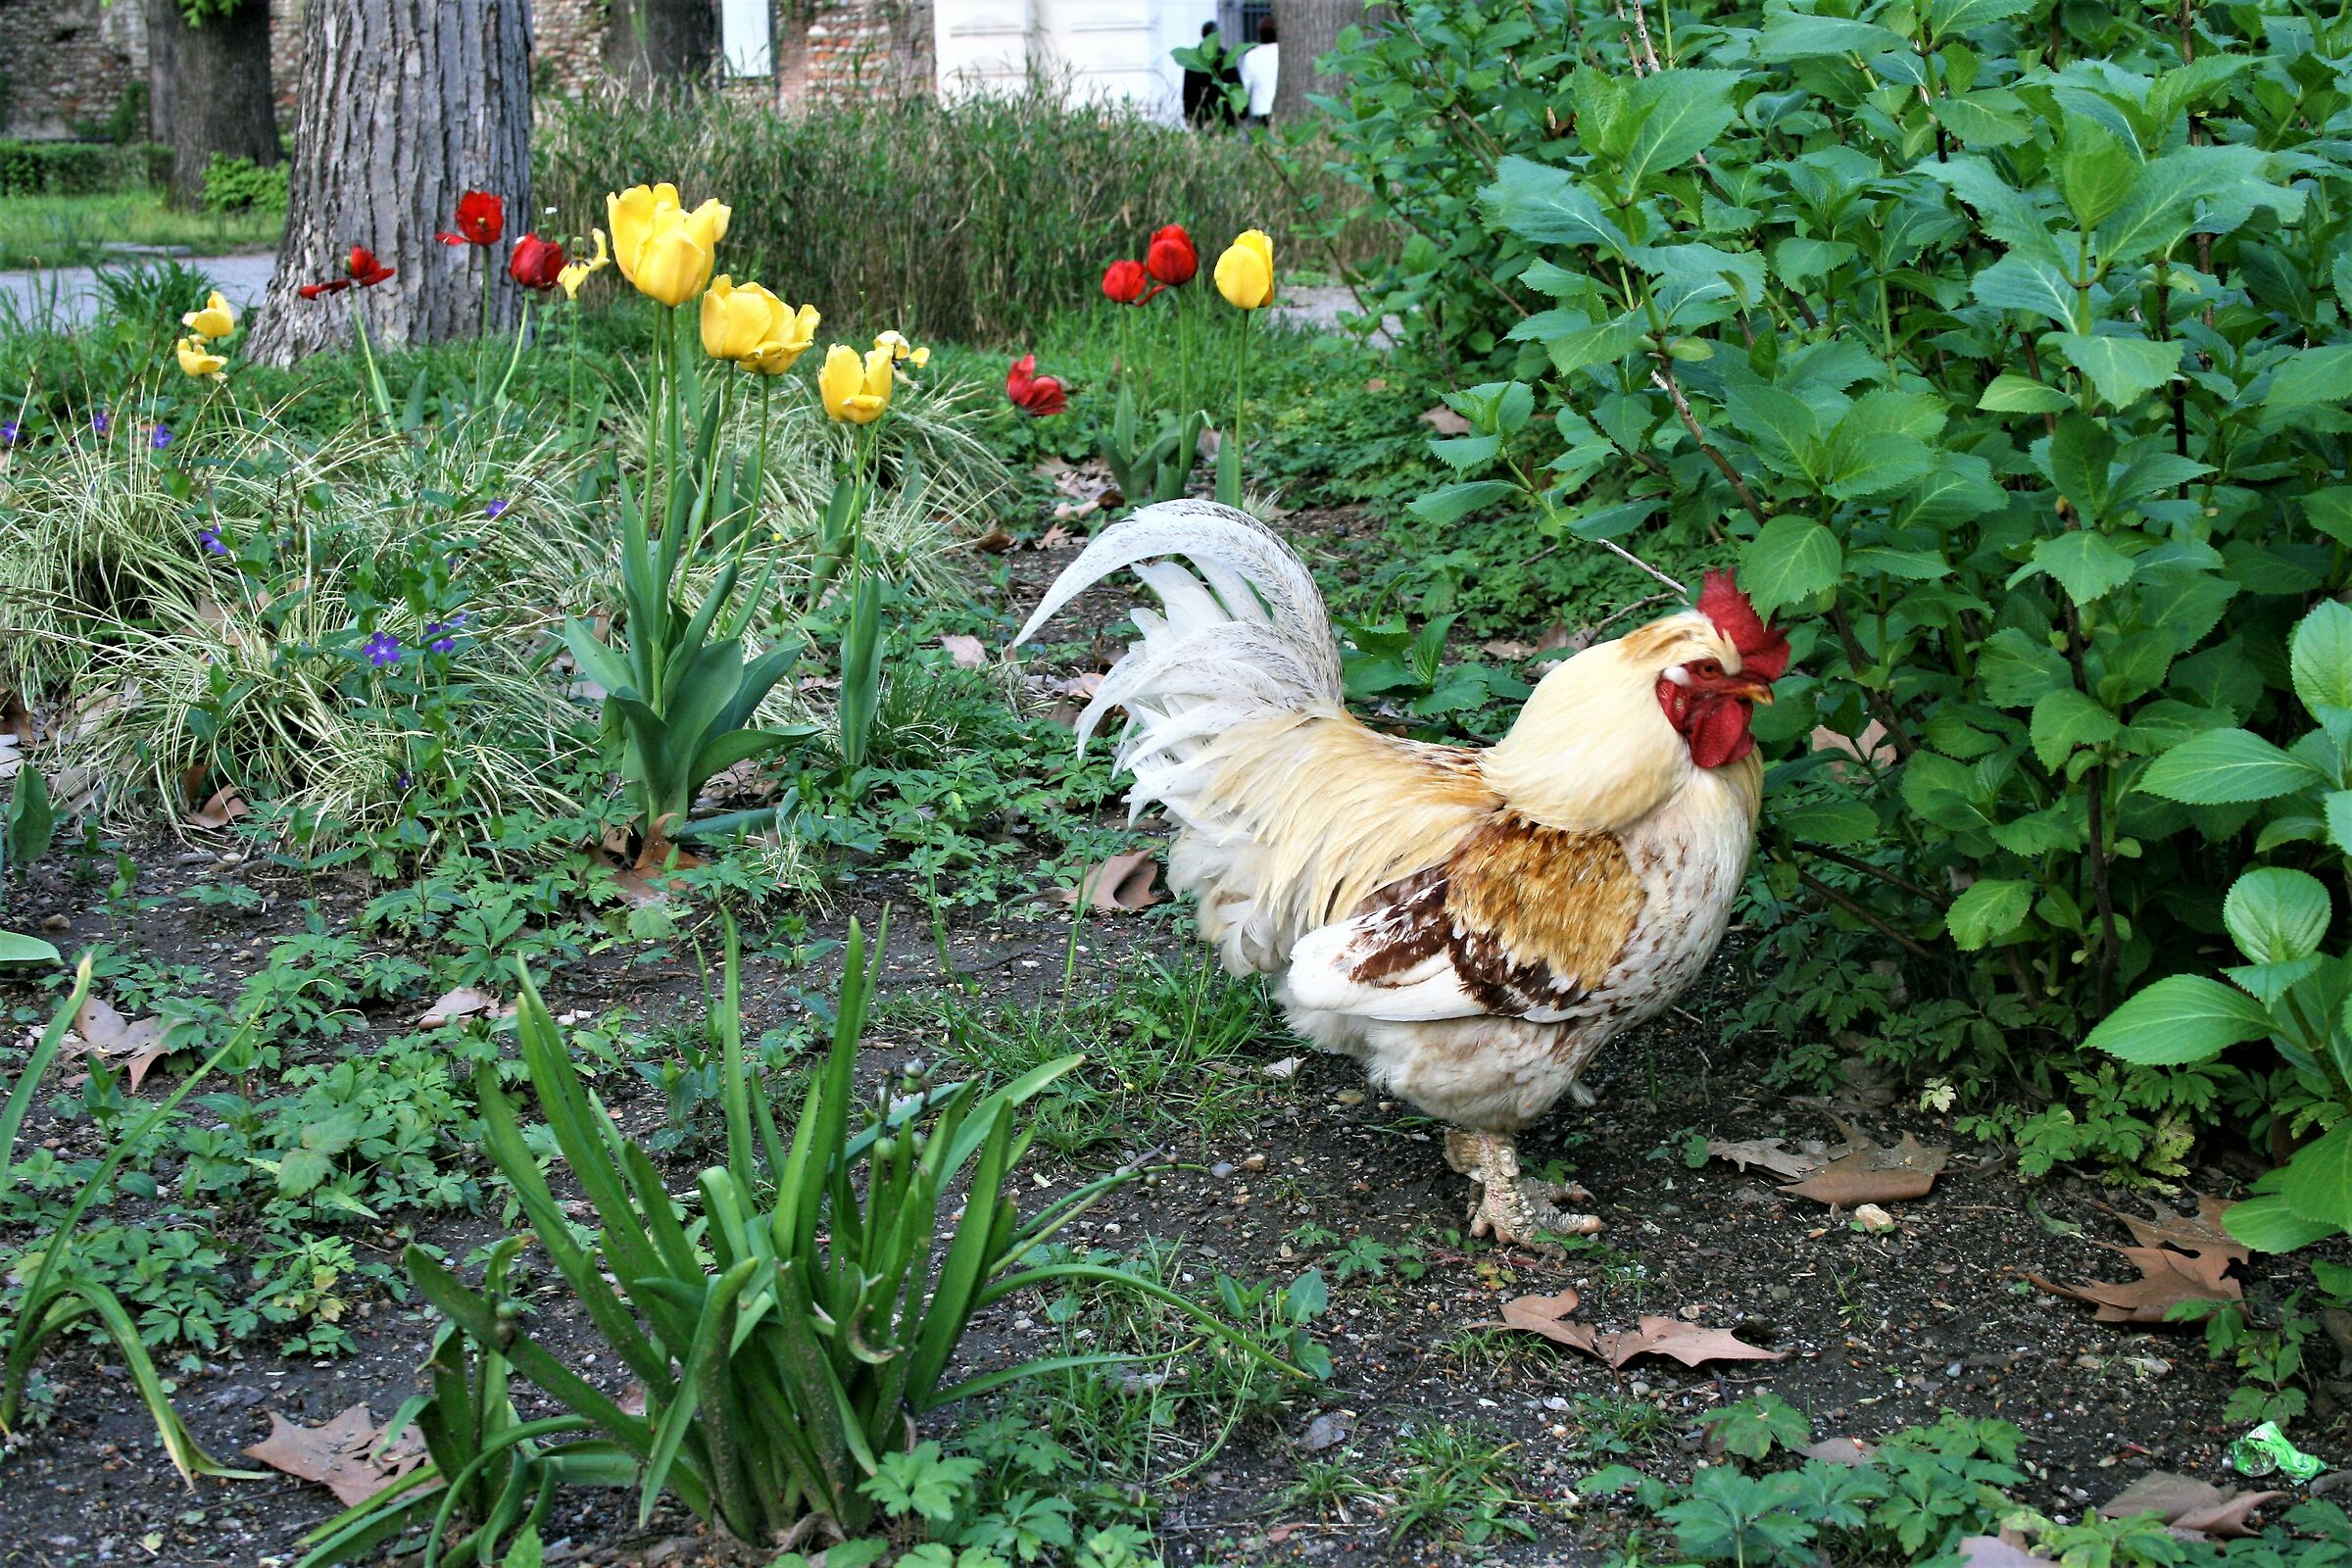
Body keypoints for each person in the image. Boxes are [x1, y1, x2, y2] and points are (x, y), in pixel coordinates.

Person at [1238, 17, 1278, 125]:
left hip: (1260, 108)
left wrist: (1241, 110)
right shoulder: (1283, 53)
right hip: (1281, 107)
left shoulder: (1251, 56)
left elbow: (1245, 86)